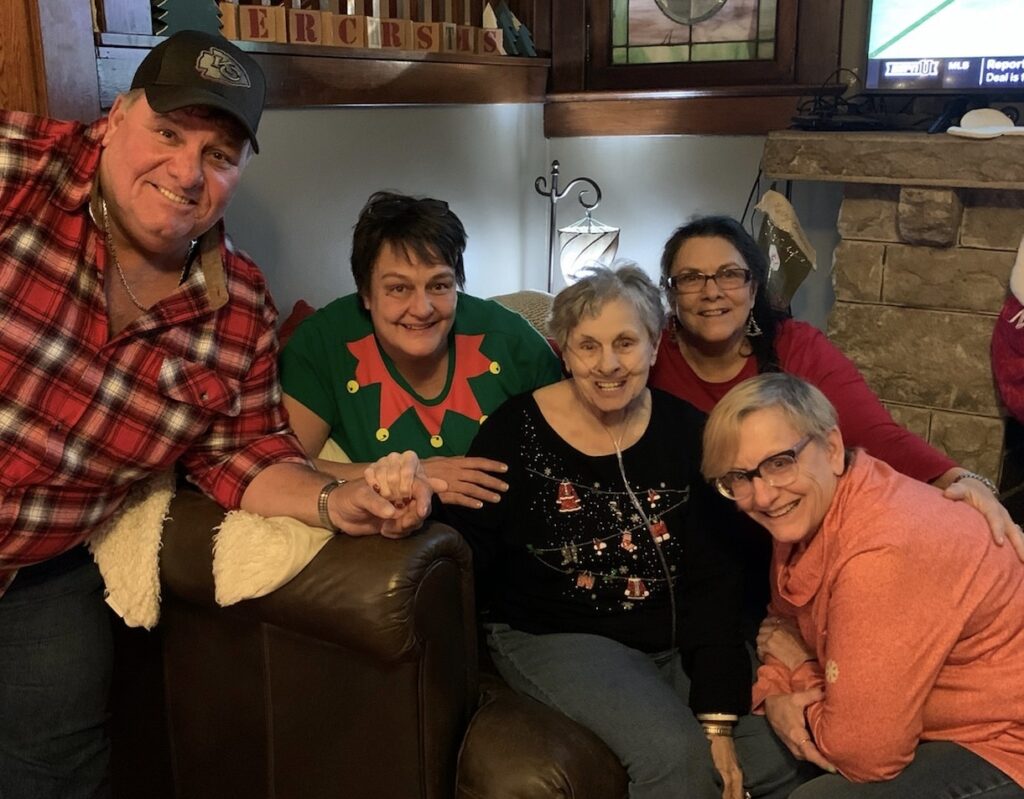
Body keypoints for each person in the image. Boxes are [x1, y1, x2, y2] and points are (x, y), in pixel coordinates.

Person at [0, 31, 437, 798]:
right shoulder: (19, 167)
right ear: (116, 117)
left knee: (59, 773)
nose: (185, 171)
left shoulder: (238, 310)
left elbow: (246, 456)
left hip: (40, 569)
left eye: (219, 154)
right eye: (168, 133)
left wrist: (340, 500)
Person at [433, 265, 808, 799]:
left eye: (625, 343)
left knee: (787, 751)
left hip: (675, 640)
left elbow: (715, 577)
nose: (608, 364)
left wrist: (718, 718)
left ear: (654, 347)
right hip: (560, 637)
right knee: (679, 759)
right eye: (588, 346)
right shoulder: (514, 432)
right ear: (564, 353)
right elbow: (467, 547)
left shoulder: (689, 433)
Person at [701, 372, 1024, 798]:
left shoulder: (879, 549)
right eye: (739, 478)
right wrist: (777, 694)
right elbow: (781, 625)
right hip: (912, 715)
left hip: (1002, 737)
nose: (762, 496)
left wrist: (799, 672)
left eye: (780, 462)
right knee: (727, 766)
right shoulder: (804, 513)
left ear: (832, 449)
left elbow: (866, 753)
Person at [649, 215, 1021, 557]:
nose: (711, 291)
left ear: (753, 288)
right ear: (670, 293)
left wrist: (959, 478)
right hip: (682, 548)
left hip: (789, 539)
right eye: (691, 278)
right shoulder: (647, 355)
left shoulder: (795, 346)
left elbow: (877, 435)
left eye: (730, 274)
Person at [279, 190, 562, 508]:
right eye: (398, 288)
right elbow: (283, 466)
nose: (422, 308)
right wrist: (407, 476)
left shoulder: (513, 340)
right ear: (366, 294)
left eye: (439, 285)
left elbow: (577, 450)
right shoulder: (323, 342)